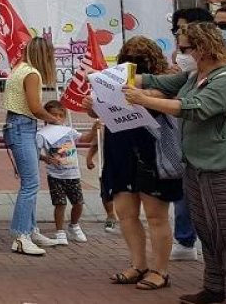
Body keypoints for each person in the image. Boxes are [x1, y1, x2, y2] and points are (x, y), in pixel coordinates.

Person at [123, 21, 226, 301]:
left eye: (185, 48)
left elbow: (193, 108)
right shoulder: (193, 76)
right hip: (196, 166)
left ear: (203, 48)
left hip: (223, 167)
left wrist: (142, 99)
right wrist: (109, 77)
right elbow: (156, 81)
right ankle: (214, 286)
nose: (180, 53)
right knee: (206, 230)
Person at [89, 35, 178, 290]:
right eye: (129, 59)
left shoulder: (165, 80)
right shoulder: (113, 80)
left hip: (152, 149)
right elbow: (97, 110)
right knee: (125, 212)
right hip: (120, 148)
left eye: (140, 59)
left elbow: (164, 101)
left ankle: (160, 270)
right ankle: (138, 264)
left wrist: (141, 94)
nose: (135, 63)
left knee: (155, 214)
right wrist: (91, 105)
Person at [2, 36, 61, 256]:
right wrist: (53, 120)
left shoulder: (19, 68)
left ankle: (31, 229)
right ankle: (21, 235)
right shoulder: (32, 74)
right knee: (30, 184)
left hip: (16, 125)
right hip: (23, 126)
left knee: (31, 182)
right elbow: (35, 108)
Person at [170, 7, 212, 262]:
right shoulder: (188, 72)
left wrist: (145, 98)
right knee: (188, 191)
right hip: (191, 145)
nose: (178, 36)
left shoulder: (223, 74)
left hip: (218, 155)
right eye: (176, 30)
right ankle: (187, 240)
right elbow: (164, 85)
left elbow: (191, 106)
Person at [36, 99, 95, 245]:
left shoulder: (69, 131)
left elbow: (85, 139)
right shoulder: (42, 134)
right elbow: (35, 151)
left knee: (78, 203)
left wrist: (94, 129)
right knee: (60, 204)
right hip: (55, 175)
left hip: (72, 174)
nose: (57, 118)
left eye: (60, 115)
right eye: (53, 115)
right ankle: (60, 231)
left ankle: (74, 225)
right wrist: (46, 158)